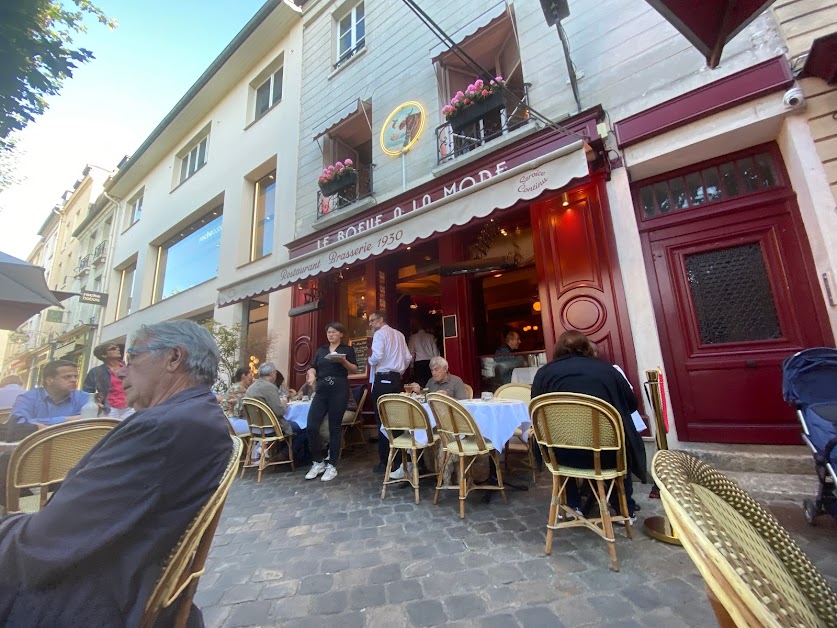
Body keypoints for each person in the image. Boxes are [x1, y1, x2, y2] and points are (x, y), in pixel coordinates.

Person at [0, 320, 232, 627]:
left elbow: (45, 541)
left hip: (88, 595)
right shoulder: (197, 415)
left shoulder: (160, 428)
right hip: (125, 577)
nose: (120, 372)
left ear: (174, 358)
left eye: (132, 359)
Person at [531, 330, 647, 521]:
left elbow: (536, 409)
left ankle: (572, 504)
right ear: (586, 348)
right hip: (606, 453)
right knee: (621, 443)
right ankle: (624, 509)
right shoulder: (608, 370)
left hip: (561, 454)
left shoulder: (544, 374)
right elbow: (631, 405)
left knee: (558, 444)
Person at [304, 322, 358, 482]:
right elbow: (313, 367)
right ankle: (318, 461)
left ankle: (332, 465)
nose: (331, 335)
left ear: (341, 334)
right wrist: (312, 375)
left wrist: (343, 362)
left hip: (339, 388)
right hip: (321, 389)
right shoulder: (321, 350)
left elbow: (354, 369)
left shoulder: (347, 350)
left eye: (334, 332)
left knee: (334, 427)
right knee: (312, 426)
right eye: (329, 332)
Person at [367, 311, 411, 473]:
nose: (370, 324)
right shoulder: (399, 334)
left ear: (381, 320)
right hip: (396, 381)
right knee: (397, 420)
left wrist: (369, 361)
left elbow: (377, 355)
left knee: (383, 422)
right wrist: (398, 372)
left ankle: (385, 462)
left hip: (383, 381)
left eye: (372, 321)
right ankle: (400, 461)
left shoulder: (379, 334)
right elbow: (407, 357)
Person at [9, 360, 87, 428]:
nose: (74, 380)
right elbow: (17, 424)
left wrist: (38, 423)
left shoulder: (83, 397)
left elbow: (87, 422)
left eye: (75, 377)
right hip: (36, 443)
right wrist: (67, 419)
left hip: (74, 443)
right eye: (67, 377)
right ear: (49, 380)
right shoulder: (28, 398)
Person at [82, 342, 133, 419]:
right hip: (110, 409)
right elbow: (87, 392)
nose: (117, 349)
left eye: (117, 347)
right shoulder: (96, 371)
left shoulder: (130, 368)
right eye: (113, 349)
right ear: (104, 355)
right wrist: (96, 403)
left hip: (130, 407)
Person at [221, 365, 254, 435]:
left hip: (227, 420)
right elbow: (240, 411)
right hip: (230, 422)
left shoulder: (238, 387)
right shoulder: (239, 389)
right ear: (243, 376)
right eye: (251, 375)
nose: (252, 378)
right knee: (257, 428)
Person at [408, 318, 439, 388]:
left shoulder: (413, 338)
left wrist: (411, 366)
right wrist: (436, 364)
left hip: (419, 364)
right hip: (430, 362)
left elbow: (411, 353)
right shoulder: (430, 337)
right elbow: (435, 351)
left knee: (421, 384)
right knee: (432, 382)